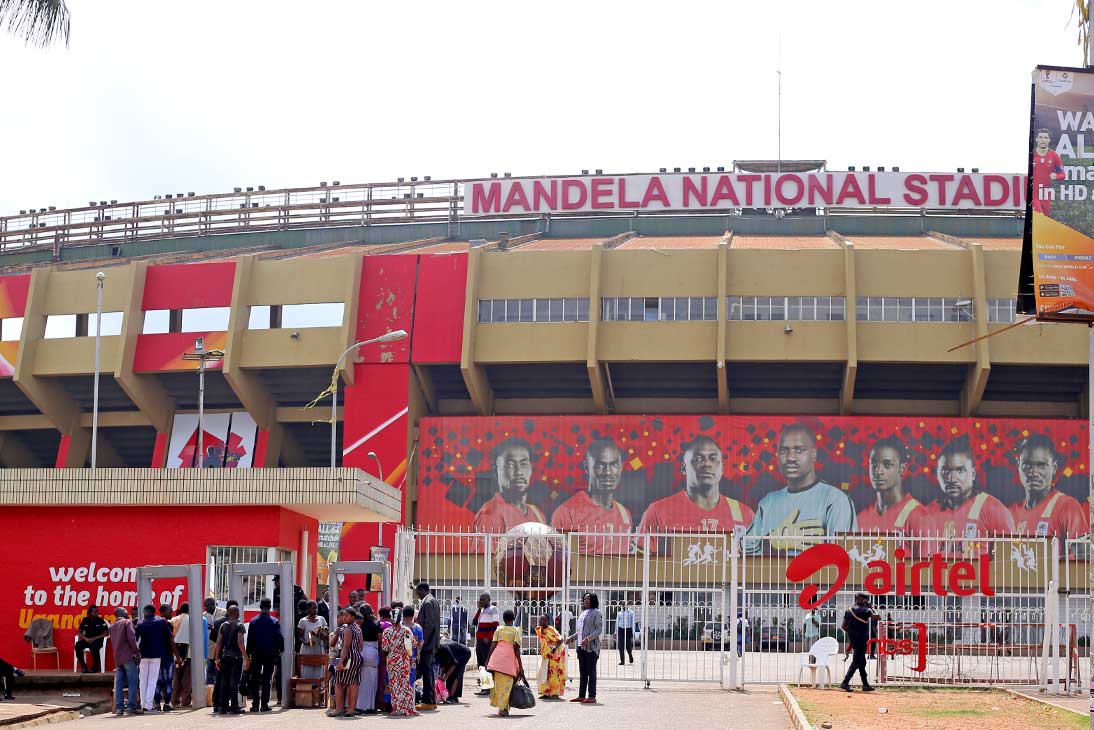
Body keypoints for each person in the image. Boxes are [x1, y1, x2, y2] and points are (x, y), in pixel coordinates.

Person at [746, 424, 858, 555]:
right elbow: (742, 549)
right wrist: (770, 543)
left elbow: (845, 557)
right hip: (772, 576)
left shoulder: (835, 500)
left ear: (814, 454)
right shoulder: (768, 502)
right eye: (783, 451)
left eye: (799, 450)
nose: (790, 458)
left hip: (818, 576)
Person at [639, 436, 754, 539]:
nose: (707, 464)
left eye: (713, 458)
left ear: (722, 468)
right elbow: (639, 561)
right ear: (683, 468)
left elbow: (755, 562)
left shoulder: (745, 514)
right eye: (699, 459)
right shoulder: (657, 511)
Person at [927, 437, 1015, 556]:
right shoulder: (928, 512)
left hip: (979, 575)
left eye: (960, 470)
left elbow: (1009, 562)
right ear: (937, 474)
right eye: (945, 471)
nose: (952, 479)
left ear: (973, 474)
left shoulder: (993, 510)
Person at [551, 438, 634, 554]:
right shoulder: (567, 513)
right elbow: (558, 565)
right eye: (600, 465)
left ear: (621, 467)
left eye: (614, 465)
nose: (608, 472)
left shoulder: (625, 514)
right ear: (586, 467)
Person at [1010, 434, 1086, 538]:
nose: (1033, 472)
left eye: (1041, 466)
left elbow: (1083, 553)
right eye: (1027, 465)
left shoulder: (1068, 507)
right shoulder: (1011, 512)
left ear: (1054, 468)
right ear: (1018, 465)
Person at [856, 436, 930, 538]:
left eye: (887, 465)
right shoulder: (861, 517)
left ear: (902, 469)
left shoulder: (918, 516)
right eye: (874, 464)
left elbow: (928, 554)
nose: (878, 471)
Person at [474, 437, 547, 532]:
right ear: (495, 470)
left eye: (524, 464)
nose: (519, 472)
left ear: (531, 469)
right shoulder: (490, 515)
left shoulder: (537, 514)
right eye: (510, 465)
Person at [135, 604, 176, 713]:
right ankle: (148, 706)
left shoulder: (140, 624)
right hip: (157, 656)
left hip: (143, 656)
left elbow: (136, 641)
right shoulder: (161, 622)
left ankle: (143, 704)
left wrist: (136, 654)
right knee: (152, 681)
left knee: (143, 681)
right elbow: (170, 636)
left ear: (145, 612)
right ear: (154, 612)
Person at [246, 597, 283, 713]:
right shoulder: (274, 621)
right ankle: (264, 705)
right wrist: (280, 649)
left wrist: (248, 654)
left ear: (260, 607)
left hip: (256, 653)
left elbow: (250, 639)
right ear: (270, 606)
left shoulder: (253, 621)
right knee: (267, 679)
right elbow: (279, 637)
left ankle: (255, 704)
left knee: (255, 679)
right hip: (270, 654)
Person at [381, 606, 420, 716]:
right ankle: (408, 708)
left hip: (392, 660)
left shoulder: (387, 632)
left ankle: (397, 708)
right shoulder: (407, 630)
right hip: (404, 660)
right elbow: (413, 645)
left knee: (394, 684)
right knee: (405, 684)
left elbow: (385, 648)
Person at [487, 610, 525, 717]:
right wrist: (520, 666)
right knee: (508, 685)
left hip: (497, 660)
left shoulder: (499, 629)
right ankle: (504, 708)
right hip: (509, 661)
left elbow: (493, 645)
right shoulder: (515, 631)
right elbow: (517, 649)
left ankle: (502, 707)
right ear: (513, 619)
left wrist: (488, 660)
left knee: (499, 684)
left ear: (503, 619)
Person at [212, 605, 248, 715]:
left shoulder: (223, 626)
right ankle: (234, 707)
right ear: (237, 614)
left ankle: (222, 706)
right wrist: (246, 657)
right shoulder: (240, 626)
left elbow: (218, 643)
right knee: (234, 682)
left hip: (224, 657)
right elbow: (240, 642)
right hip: (236, 658)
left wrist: (216, 659)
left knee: (224, 682)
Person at [840, 594, 879, 693]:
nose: (868, 601)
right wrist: (871, 607)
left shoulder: (849, 610)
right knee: (857, 662)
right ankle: (845, 682)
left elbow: (843, 626)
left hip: (853, 640)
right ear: (862, 599)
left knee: (862, 662)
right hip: (861, 639)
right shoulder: (864, 610)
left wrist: (852, 632)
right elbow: (877, 617)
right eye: (866, 600)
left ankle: (865, 685)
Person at [569, 592, 602, 705]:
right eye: (585, 599)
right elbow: (579, 631)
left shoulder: (597, 613)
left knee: (591, 672)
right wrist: (572, 638)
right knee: (583, 672)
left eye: (588, 599)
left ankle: (592, 696)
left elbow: (598, 630)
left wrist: (588, 639)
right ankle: (581, 695)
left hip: (591, 648)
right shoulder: (583, 613)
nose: (585, 601)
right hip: (581, 647)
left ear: (593, 600)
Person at [330, 608, 364, 718]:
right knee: (353, 683)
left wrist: (340, 662)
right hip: (357, 657)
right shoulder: (357, 627)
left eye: (347, 616)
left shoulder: (348, 629)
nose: (344, 617)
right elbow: (361, 645)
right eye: (343, 616)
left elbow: (345, 647)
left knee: (338, 682)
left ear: (353, 617)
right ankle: (351, 709)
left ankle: (339, 709)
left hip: (348, 658)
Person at [170, 602, 204, 708]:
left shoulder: (174, 620)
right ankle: (185, 701)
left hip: (176, 653)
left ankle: (174, 701)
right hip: (190, 652)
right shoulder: (194, 620)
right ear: (190, 610)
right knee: (187, 678)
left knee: (176, 678)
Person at [108, 608, 140, 715]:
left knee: (119, 684)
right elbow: (131, 638)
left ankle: (119, 708)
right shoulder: (127, 622)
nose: (128, 612)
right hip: (128, 657)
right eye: (125, 611)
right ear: (121, 613)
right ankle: (131, 706)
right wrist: (137, 652)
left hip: (118, 658)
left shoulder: (112, 626)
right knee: (132, 682)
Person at [414, 582, 440, 711]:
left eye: (417, 591)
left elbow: (429, 624)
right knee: (427, 671)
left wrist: (422, 641)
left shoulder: (428, 602)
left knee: (427, 671)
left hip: (427, 644)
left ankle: (429, 700)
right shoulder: (431, 600)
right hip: (430, 643)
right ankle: (429, 700)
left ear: (422, 590)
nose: (416, 594)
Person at [471, 592, 501, 694]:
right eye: (480, 600)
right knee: (481, 664)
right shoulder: (482, 610)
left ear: (489, 600)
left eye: (483, 600)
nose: (481, 601)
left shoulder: (493, 609)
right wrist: (479, 610)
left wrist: (488, 637)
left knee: (486, 663)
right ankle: (485, 686)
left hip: (486, 642)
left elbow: (495, 625)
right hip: (479, 641)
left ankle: (487, 688)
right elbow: (474, 622)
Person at [1032, 127, 1064, 216]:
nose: (1043, 140)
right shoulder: (1031, 155)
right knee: (1039, 216)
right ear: (1036, 139)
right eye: (1041, 137)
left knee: (1045, 219)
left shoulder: (1054, 155)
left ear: (1049, 140)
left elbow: (1062, 175)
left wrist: (1056, 176)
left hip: (1046, 193)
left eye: (1045, 138)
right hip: (1033, 194)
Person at [356, 604, 382, 714]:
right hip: (373, 652)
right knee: (372, 680)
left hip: (361, 651)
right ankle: (370, 706)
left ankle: (359, 705)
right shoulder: (377, 625)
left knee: (361, 680)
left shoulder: (358, 625)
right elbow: (381, 642)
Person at [207, 599, 237, 688]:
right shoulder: (238, 624)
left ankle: (215, 696)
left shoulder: (221, 617)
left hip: (219, 652)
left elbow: (214, 638)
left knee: (219, 675)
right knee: (211, 672)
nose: (206, 608)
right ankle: (211, 694)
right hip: (213, 650)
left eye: (207, 605)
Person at [535, 614, 565, 700]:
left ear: (548, 621)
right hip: (545, 654)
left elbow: (560, 640)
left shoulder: (551, 629)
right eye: (540, 620)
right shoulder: (539, 629)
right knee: (544, 673)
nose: (541, 622)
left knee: (554, 674)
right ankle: (546, 692)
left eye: (544, 620)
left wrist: (555, 648)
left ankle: (555, 693)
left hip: (554, 655)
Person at [297, 600, 328, 679]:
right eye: (313, 608)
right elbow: (299, 636)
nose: (315, 610)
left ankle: (317, 688)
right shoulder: (303, 621)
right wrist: (306, 642)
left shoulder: (321, 619)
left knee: (319, 668)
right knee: (307, 669)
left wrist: (323, 633)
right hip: (308, 649)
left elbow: (327, 632)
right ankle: (307, 687)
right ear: (308, 609)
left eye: (316, 608)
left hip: (319, 648)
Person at [153, 604, 176, 711]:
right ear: (164, 612)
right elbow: (171, 641)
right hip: (167, 657)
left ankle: (157, 704)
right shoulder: (167, 624)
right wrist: (178, 657)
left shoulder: (153, 624)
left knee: (157, 681)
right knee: (168, 681)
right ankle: (167, 703)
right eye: (170, 611)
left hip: (155, 657)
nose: (172, 613)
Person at [75, 606, 110, 673]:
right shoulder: (85, 620)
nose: (96, 613)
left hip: (97, 640)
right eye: (95, 612)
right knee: (77, 645)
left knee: (93, 646)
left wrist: (94, 638)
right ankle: (83, 666)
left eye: (97, 612)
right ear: (90, 612)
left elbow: (106, 633)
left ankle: (95, 666)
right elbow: (79, 631)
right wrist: (85, 638)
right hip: (87, 639)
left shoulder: (100, 620)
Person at [436, 638, 471, 704]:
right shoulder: (438, 653)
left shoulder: (445, 649)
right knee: (449, 674)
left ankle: (453, 697)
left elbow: (454, 664)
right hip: (455, 656)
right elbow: (443, 665)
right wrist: (440, 676)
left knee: (456, 674)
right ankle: (449, 695)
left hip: (464, 653)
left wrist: (445, 677)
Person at [376, 607, 393, 712]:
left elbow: (380, 643)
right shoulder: (393, 626)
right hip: (392, 657)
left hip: (382, 656)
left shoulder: (380, 625)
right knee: (389, 680)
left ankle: (381, 703)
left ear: (381, 615)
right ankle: (389, 702)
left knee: (381, 680)